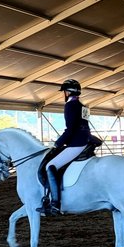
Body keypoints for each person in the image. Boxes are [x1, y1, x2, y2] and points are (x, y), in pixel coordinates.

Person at [36, 79, 92, 216]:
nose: (64, 94)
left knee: (50, 166)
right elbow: (85, 126)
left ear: (68, 92)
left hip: (77, 143)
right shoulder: (83, 106)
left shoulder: (70, 106)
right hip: (86, 140)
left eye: (65, 92)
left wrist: (57, 143)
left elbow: (70, 129)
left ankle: (55, 204)